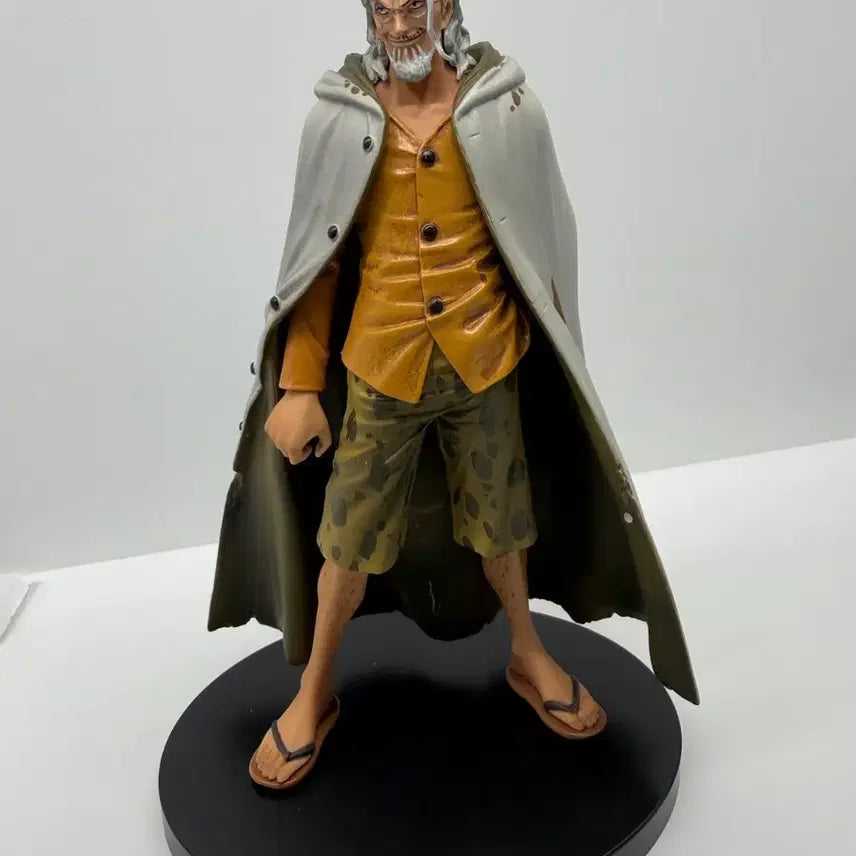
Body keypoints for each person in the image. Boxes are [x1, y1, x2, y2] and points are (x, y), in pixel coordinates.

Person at [207, 0, 699, 790]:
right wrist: (299, 384)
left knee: (504, 521)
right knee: (348, 538)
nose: (401, 25)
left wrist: (559, 355)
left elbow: (541, 235)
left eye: (416, 4)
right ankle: (314, 690)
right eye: (384, 8)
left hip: (485, 359)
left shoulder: (503, 108)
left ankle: (527, 651)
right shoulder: (342, 121)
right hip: (382, 368)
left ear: (447, 8)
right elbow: (316, 262)